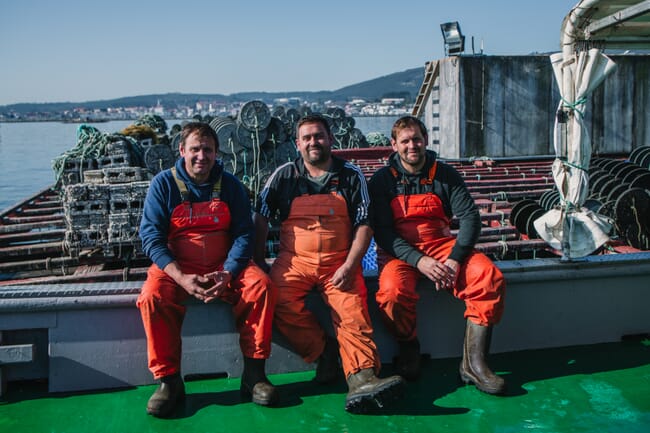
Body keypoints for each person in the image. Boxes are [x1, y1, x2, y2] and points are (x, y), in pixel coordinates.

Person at [253, 114, 404, 413]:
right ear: (297, 144)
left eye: (319, 136)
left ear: (330, 139)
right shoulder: (283, 176)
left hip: (339, 263)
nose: (313, 142)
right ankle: (324, 353)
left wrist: (350, 265)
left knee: (352, 314)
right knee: (276, 301)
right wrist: (259, 262)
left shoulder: (351, 175)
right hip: (293, 262)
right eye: (307, 137)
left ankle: (362, 378)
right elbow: (259, 218)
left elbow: (365, 225)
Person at [137, 122, 278, 418]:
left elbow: (244, 234)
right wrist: (180, 277)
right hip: (177, 267)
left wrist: (228, 272)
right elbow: (151, 237)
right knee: (152, 297)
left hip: (224, 265)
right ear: (182, 151)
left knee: (260, 286)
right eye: (195, 149)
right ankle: (169, 382)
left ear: (217, 152)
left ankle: (254, 375)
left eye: (208, 150)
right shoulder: (163, 185)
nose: (202, 156)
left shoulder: (231, 185)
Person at [368, 115, 506, 395]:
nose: (412, 146)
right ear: (394, 145)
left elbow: (470, 218)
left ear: (426, 140)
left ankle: (474, 363)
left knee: (487, 277)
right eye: (405, 141)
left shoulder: (445, 174)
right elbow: (382, 232)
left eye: (416, 139)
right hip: (398, 253)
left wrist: (454, 259)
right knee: (392, 293)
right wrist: (420, 261)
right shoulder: (381, 181)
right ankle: (408, 348)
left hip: (442, 246)